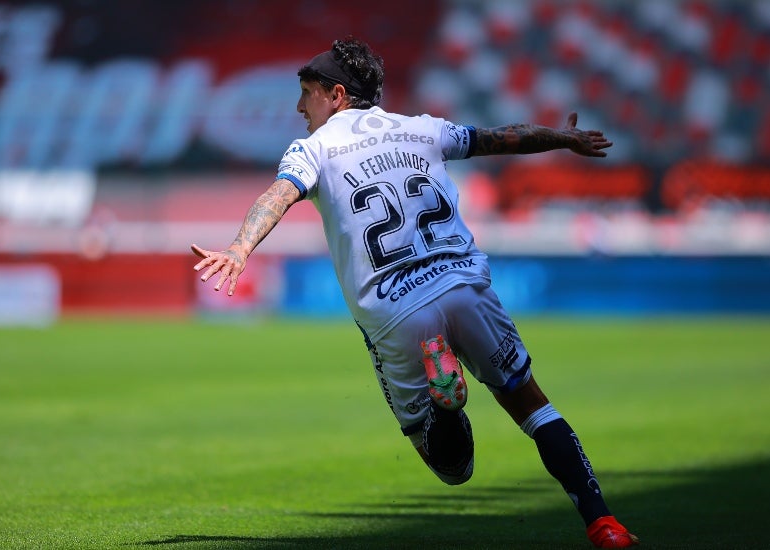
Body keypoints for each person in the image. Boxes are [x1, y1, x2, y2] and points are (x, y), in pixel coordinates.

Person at [192, 37, 639, 548]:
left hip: (395, 309)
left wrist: (239, 247)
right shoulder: (422, 128)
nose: (299, 107)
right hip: (463, 284)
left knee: (452, 468)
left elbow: (277, 196)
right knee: (534, 407)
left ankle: (446, 408)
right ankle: (604, 524)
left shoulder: (313, 149)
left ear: (336, 95)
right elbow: (501, 138)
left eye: (307, 94)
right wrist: (561, 139)